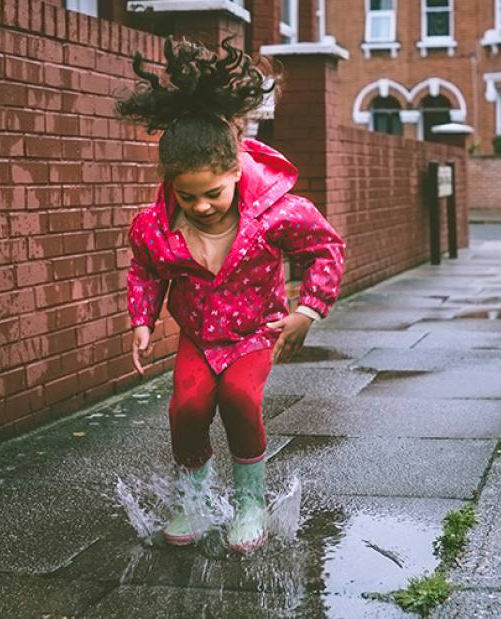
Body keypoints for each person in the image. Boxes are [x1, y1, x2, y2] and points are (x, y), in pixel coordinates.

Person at [115, 37, 345, 553]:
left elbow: (327, 248)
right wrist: (142, 320)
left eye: (213, 193)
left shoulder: (275, 213)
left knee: (240, 400)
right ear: (171, 185)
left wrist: (308, 310)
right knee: (188, 408)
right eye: (187, 195)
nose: (200, 206)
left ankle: (249, 503)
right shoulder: (155, 227)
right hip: (199, 336)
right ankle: (193, 500)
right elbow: (146, 271)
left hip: (255, 332)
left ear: (236, 171)